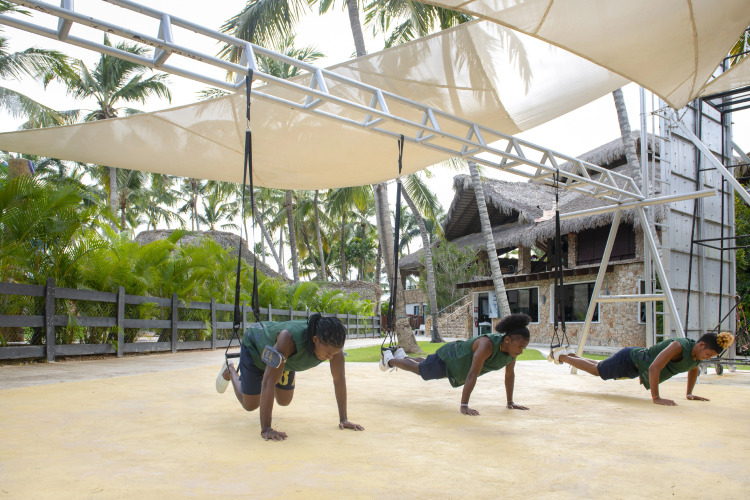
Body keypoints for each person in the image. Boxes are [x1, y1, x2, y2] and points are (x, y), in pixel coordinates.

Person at [215, 313, 365, 441]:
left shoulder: (334, 347)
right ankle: (230, 370)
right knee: (250, 405)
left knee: (284, 400)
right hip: (255, 346)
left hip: (283, 359)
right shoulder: (288, 339)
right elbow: (268, 382)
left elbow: (339, 380)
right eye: (328, 354)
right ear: (315, 340)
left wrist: (344, 419)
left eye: (335, 353)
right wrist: (266, 428)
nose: (331, 357)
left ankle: (275, 368)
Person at [379, 313, 532, 415]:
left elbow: (509, 374)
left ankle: (402, 356)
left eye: (523, 348)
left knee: (426, 363)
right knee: (422, 370)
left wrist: (510, 402)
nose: (521, 351)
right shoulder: (487, 345)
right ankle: (389, 360)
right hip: (451, 358)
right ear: (507, 340)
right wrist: (464, 406)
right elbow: (472, 374)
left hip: (457, 365)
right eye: (519, 346)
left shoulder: (511, 354)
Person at [549, 331, 735, 405]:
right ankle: (561, 356)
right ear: (701, 345)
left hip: (634, 366)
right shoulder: (680, 346)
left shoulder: (696, 356)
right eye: (708, 354)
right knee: (597, 370)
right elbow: (654, 368)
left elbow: (693, 369)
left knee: (599, 366)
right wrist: (656, 397)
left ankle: (569, 354)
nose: (707, 358)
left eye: (711, 357)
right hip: (630, 360)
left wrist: (689, 393)